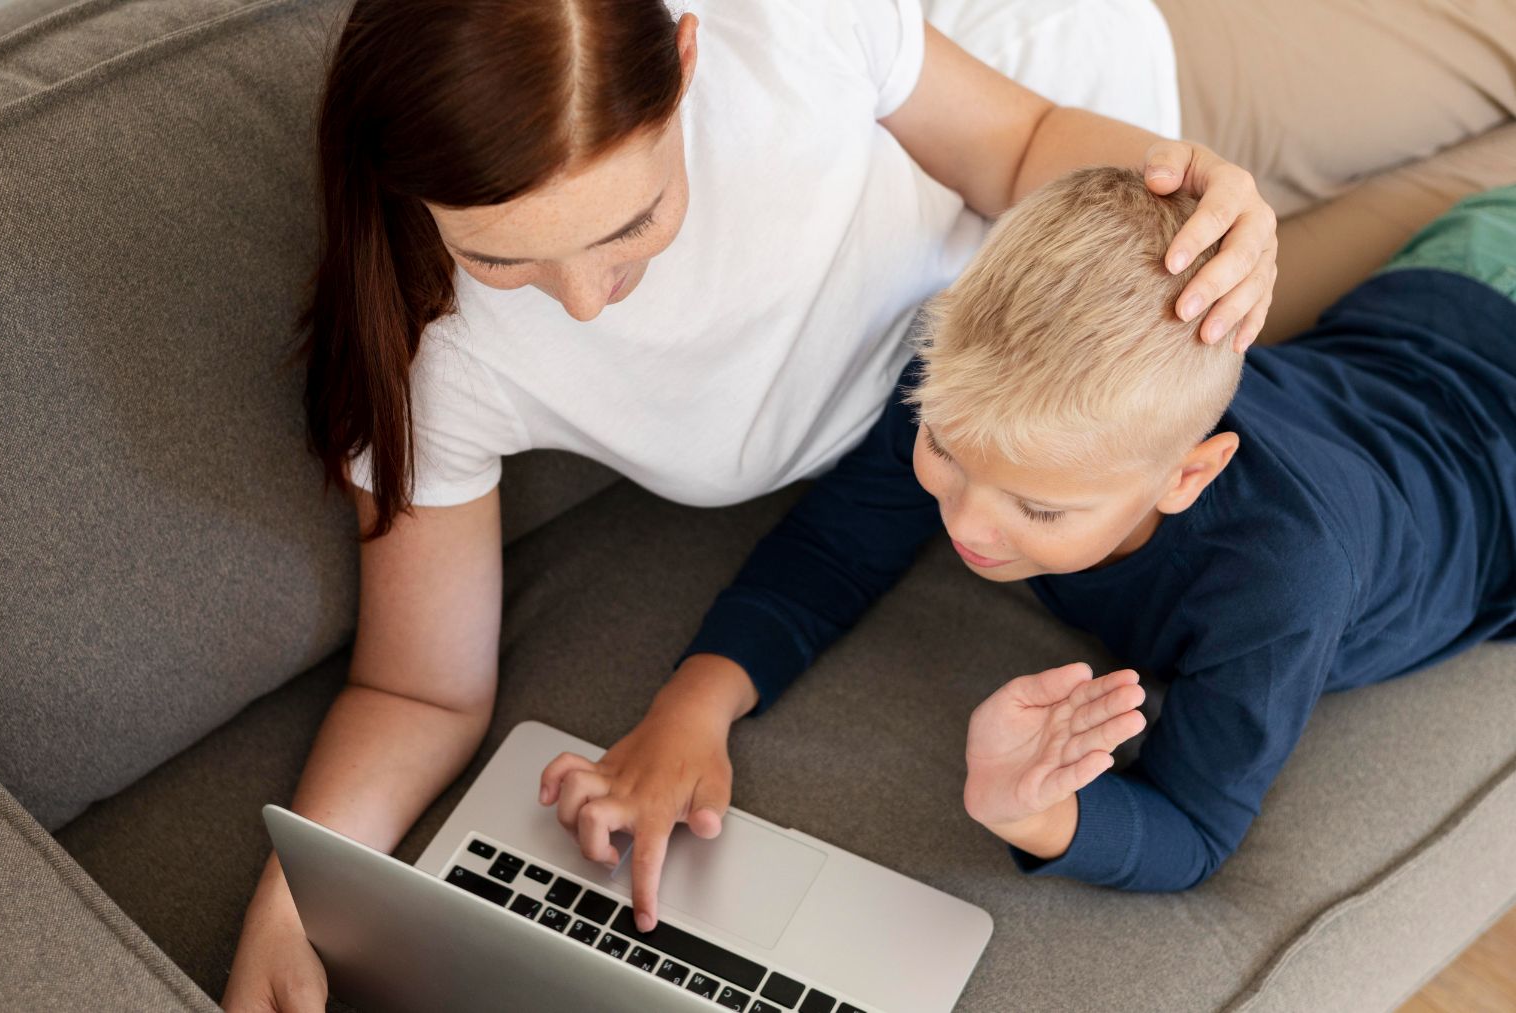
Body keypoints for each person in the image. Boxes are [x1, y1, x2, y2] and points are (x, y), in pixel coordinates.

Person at [223, 0, 1516, 1005]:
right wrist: (300, 894)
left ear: (688, 63)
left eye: (631, 224)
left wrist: (1202, 194)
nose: (583, 301)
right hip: (1217, 364)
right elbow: (426, 682)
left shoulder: (783, 32)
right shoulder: (443, 366)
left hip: (1127, 155)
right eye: (502, 256)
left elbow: (1022, 146)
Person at [565, 166, 1516, 891]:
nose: (967, 522)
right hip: (1449, 289)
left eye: (1042, 509)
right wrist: (692, 707)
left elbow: (1193, 828)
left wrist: (1034, 812)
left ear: (1187, 476)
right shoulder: (966, 388)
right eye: (944, 451)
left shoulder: (1281, 579)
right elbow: (832, 549)